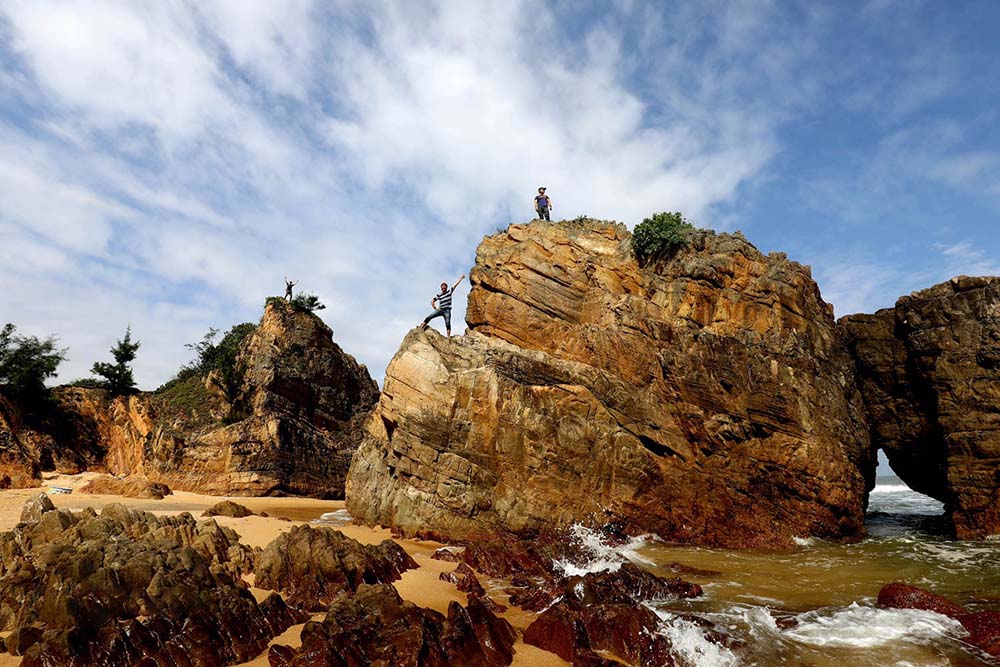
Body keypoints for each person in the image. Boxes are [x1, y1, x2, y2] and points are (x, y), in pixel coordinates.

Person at [420, 274, 465, 338]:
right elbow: (432, 301)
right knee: (429, 316)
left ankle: (448, 337)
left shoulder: (449, 292)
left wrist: (461, 278)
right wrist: (435, 307)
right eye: (442, 287)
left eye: (444, 287)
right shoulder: (439, 294)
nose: (443, 288)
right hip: (440, 310)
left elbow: (455, 285)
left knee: (447, 323)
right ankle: (421, 327)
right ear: (441, 288)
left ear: (446, 287)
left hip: (447, 310)